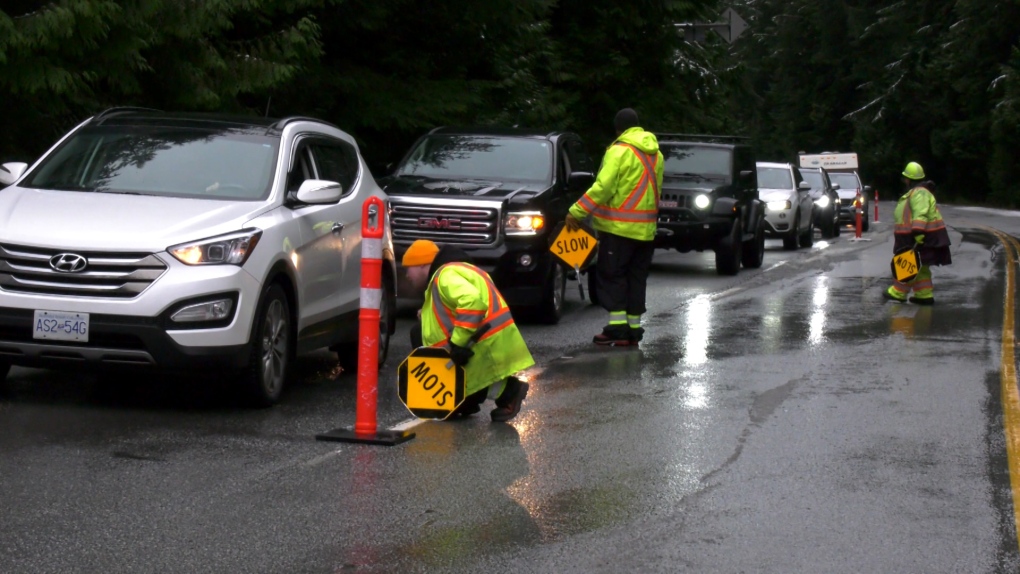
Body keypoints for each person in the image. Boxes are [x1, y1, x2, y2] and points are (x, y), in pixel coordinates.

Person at [403, 239, 534, 421]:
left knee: (419, 335)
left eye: (408, 268)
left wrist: (457, 344)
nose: (407, 275)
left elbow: (471, 302)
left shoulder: (445, 276)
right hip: (490, 339)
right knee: (419, 331)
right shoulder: (456, 271)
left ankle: (509, 392)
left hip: (483, 342)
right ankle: (468, 401)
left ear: (423, 264)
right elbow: (454, 309)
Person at [565, 108, 663, 345]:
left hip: (618, 230)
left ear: (618, 129)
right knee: (636, 277)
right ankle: (633, 330)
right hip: (646, 230)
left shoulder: (618, 151)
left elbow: (603, 188)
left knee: (612, 275)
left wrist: (576, 212)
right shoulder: (656, 154)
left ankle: (617, 329)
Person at [883, 161, 952, 305]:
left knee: (907, 263)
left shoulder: (919, 193)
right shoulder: (918, 192)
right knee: (922, 266)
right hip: (918, 235)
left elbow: (921, 213)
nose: (904, 180)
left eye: (905, 178)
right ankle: (924, 294)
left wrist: (918, 233)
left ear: (909, 179)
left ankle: (898, 292)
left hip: (918, 236)